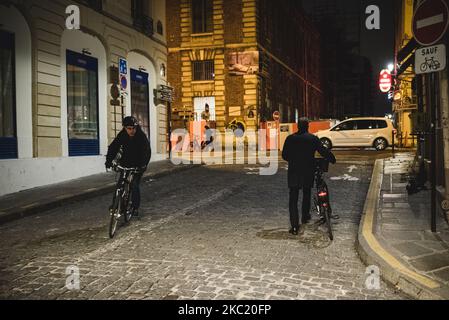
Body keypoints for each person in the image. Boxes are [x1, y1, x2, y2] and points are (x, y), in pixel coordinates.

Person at [282, 118, 336, 235]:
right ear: (307, 126)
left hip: (294, 171)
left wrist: (294, 159)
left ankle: (295, 226)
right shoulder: (312, 139)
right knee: (306, 193)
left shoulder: (290, 139)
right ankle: (305, 216)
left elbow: (284, 155)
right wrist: (332, 158)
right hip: (308, 171)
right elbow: (323, 151)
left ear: (298, 126)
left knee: (293, 199)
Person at [105, 116, 151, 218]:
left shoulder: (141, 136)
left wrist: (143, 165)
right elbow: (113, 148)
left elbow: (146, 152)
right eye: (129, 128)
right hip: (125, 163)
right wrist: (108, 162)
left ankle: (135, 207)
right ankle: (116, 205)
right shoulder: (122, 135)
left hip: (138, 165)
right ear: (125, 128)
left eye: (133, 128)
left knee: (134, 184)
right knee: (119, 184)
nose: (131, 131)